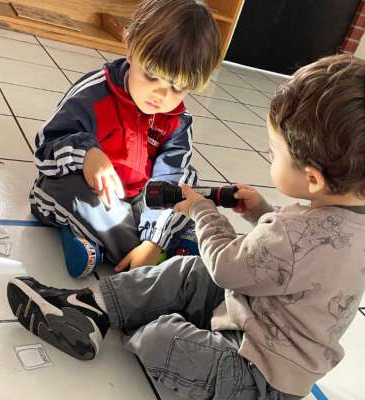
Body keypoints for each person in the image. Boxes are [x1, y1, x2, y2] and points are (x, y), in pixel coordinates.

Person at [7, 54, 365, 399]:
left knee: (160, 336)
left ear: (312, 178)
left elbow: (227, 266)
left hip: (261, 376)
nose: (270, 158)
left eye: (274, 152)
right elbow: (305, 253)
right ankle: (90, 306)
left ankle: (119, 313)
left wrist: (202, 210)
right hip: (259, 320)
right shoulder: (364, 218)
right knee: (191, 269)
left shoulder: (294, 235)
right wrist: (262, 212)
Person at [29, 0, 221, 278]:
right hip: (88, 189)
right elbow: (45, 148)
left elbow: (168, 182)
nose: (161, 95)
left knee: (188, 185)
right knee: (77, 194)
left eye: (178, 88)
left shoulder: (178, 121)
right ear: (129, 46)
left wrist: (153, 240)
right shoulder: (94, 93)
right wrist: (87, 154)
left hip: (140, 196)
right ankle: (152, 257)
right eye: (151, 76)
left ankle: (106, 243)